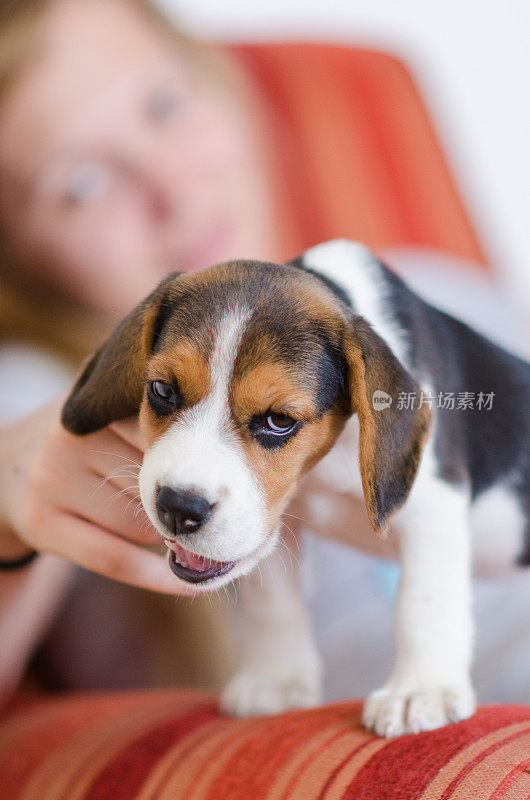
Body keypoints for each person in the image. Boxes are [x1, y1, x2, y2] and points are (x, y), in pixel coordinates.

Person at [0, 0, 525, 705]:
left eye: (163, 105)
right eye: (81, 185)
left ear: (218, 86)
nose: (174, 189)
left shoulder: (431, 291)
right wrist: (6, 519)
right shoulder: (31, 393)